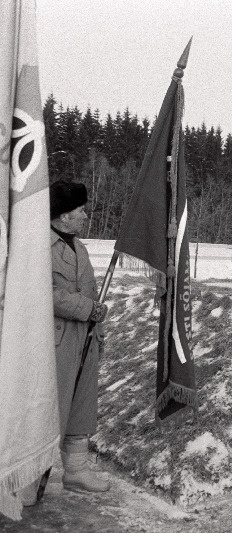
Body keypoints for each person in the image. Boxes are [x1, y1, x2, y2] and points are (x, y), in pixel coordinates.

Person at [20, 181, 111, 505]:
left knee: (81, 406)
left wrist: (96, 317)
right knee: (46, 409)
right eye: (80, 210)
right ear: (62, 214)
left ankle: (75, 470)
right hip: (52, 341)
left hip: (84, 338)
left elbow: (86, 289)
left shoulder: (80, 247)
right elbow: (40, 290)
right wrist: (86, 308)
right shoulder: (36, 245)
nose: (85, 215)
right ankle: (28, 479)